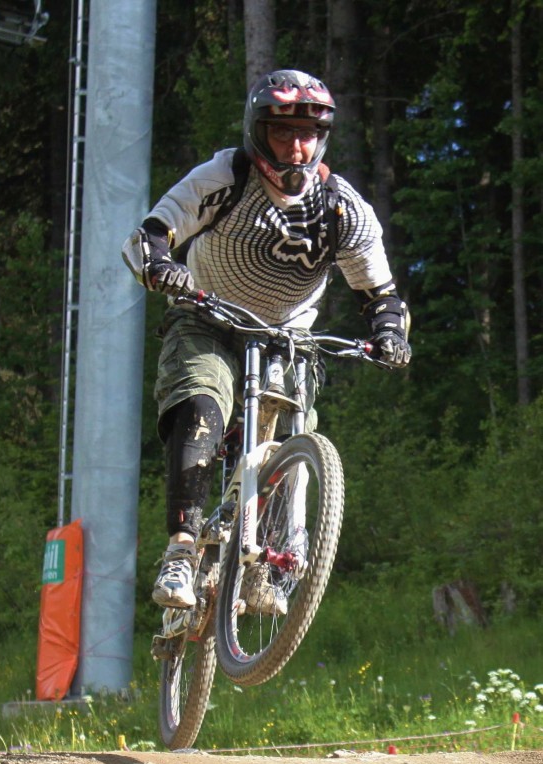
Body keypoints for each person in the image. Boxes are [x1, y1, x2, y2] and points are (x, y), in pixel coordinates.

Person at [122, 69, 411, 616]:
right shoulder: (225, 176)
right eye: (282, 132)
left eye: (308, 134)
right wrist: (162, 268)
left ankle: (278, 559)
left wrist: (389, 334)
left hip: (287, 336)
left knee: (298, 436)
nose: (296, 147)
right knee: (203, 404)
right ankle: (182, 549)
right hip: (206, 316)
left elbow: (382, 293)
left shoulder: (342, 209)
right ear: (259, 131)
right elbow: (153, 235)